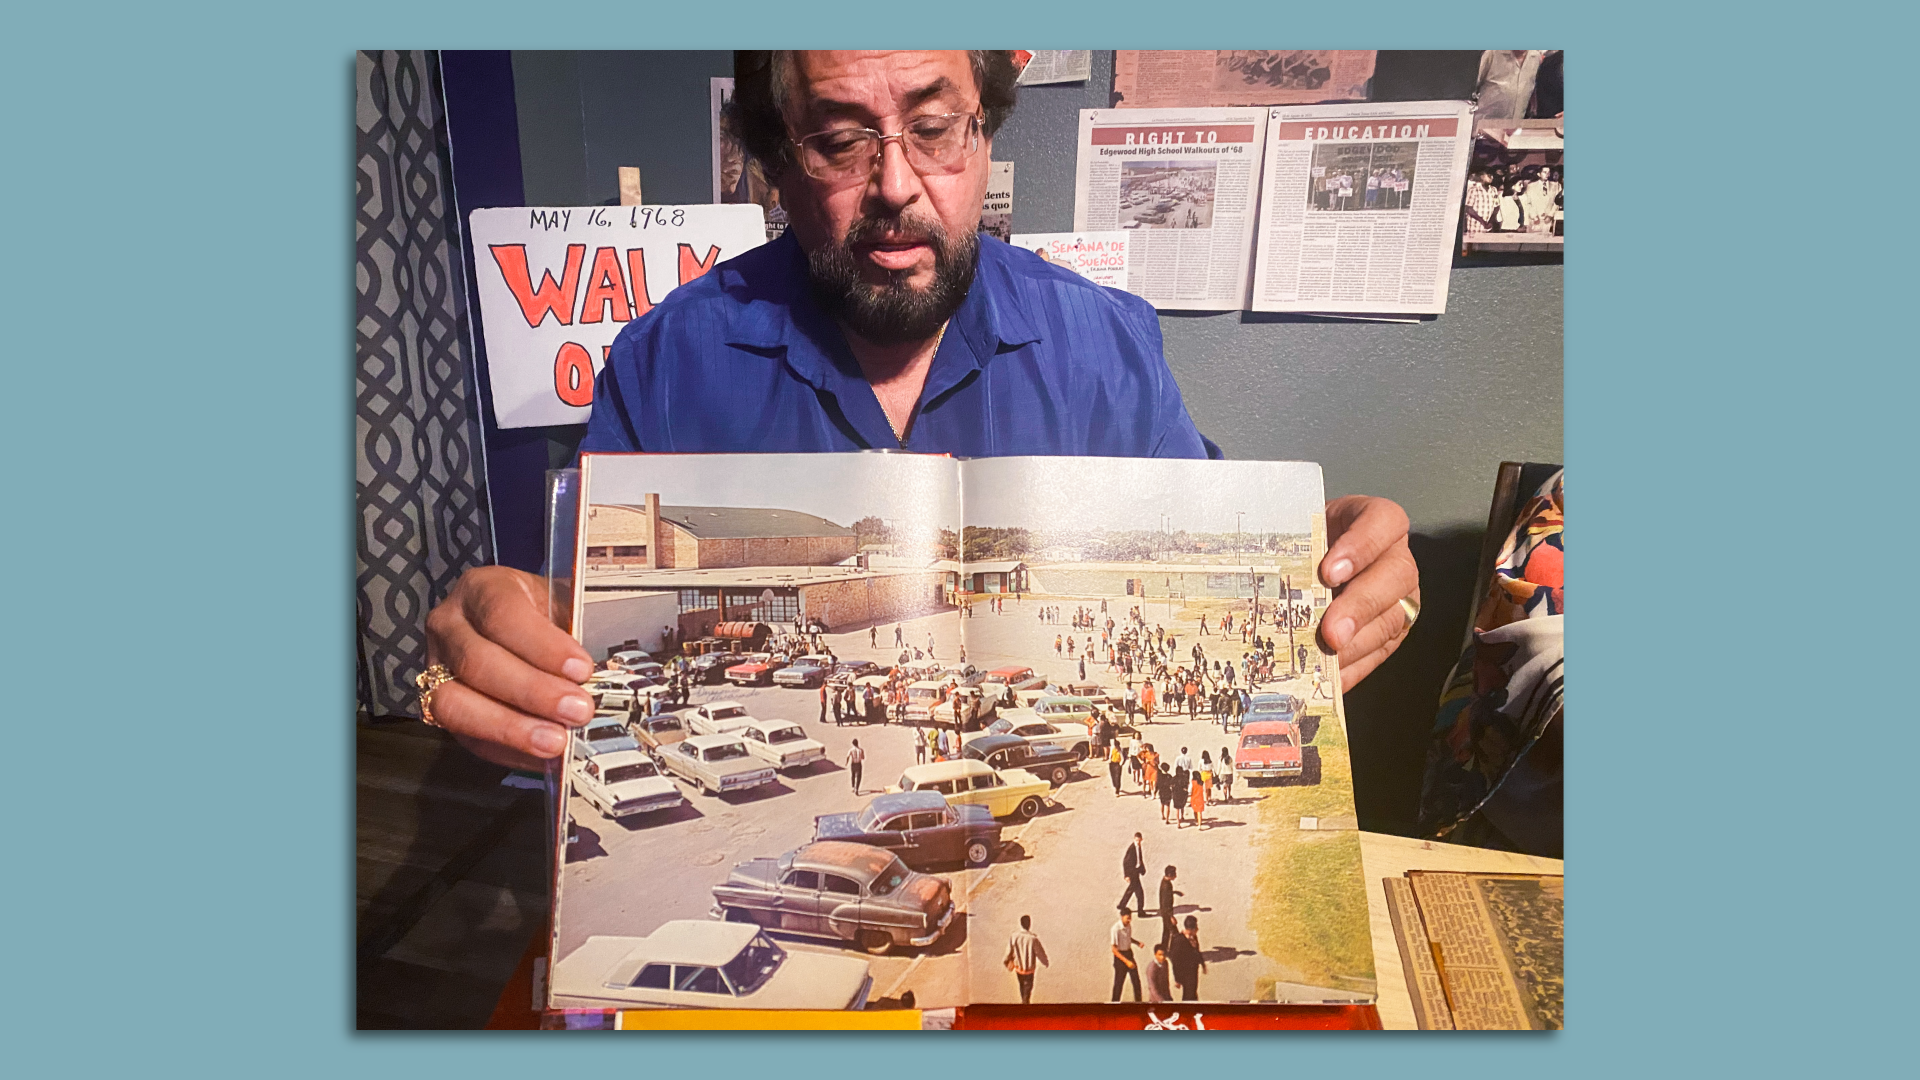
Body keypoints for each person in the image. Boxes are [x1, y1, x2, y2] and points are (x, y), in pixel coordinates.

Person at [417, 50, 1420, 771]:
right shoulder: (665, 360)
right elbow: (583, 643)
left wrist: (1312, 564)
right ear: (775, 159)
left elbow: (1212, 568)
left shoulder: (1108, 344)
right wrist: (512, 656)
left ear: (985, 124)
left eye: (935, 130)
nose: (896, 187)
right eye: (839, 143)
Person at [1005, 914, 1049, 1004]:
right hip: (1029, 968)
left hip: (1018, 967)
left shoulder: (1014, 936)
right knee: (1028, 987)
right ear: (1029, 924)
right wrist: (1045, 962)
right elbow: (1039, 952)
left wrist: (1007, 961)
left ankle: (1024, 1003)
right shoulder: (1033, 939)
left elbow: (1009, 950)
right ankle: (1025, 1003)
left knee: (1022, 986)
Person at [1167, 915, 1207, 1001]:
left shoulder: (1193, 937)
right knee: (1188, 996)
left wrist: (1203, 964)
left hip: (1193, 972)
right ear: (1190, 930)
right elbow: (1175, 960)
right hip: (1185, 973)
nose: (1197, 929)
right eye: (1196, 927)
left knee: (1192, 993)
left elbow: (1197, 952)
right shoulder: (1179, 940)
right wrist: (1177, 979)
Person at [1110, 910, 1144, 1002]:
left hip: (1129, 953)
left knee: (1136, 981)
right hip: (1120, 957)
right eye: (1127, 918)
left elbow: (1128, 938)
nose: (1129, 920)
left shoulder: (1128, 926)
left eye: (1130, 918)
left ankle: (1138, 1003)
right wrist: (1127, 962)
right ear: (1122, 916)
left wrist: (1137, 943)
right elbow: (1114, 950)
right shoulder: (1116, 929)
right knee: (1119, 983)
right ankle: (1114, 1005)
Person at [1119, 833, 1147, 915]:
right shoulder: (1131, 849)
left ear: (1141, 839)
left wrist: (1142, 868)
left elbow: (1139, 858)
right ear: (1134, 839)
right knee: (1139, 893)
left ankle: (1122, 905)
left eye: (1139, 840)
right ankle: (1140, 912)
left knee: (1131, 890)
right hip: (1132, 873)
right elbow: (1125, 862)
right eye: (1136, 840)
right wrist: (1126, 875)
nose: (1138, 842)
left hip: (1136, 871)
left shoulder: (1138, 846)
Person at [1157, 865, 1181, 949]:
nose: (1176, 875)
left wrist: (1174, 892)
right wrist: (1171, 916)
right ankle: (1178, 951)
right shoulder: (1166, 886)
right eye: (1174, 874)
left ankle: (1163, 949)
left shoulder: (1165, 883)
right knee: (1175, 934)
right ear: (1170, 875)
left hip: (1164, 913)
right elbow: (1165, 903)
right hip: (1167, 913)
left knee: (1166, 932)